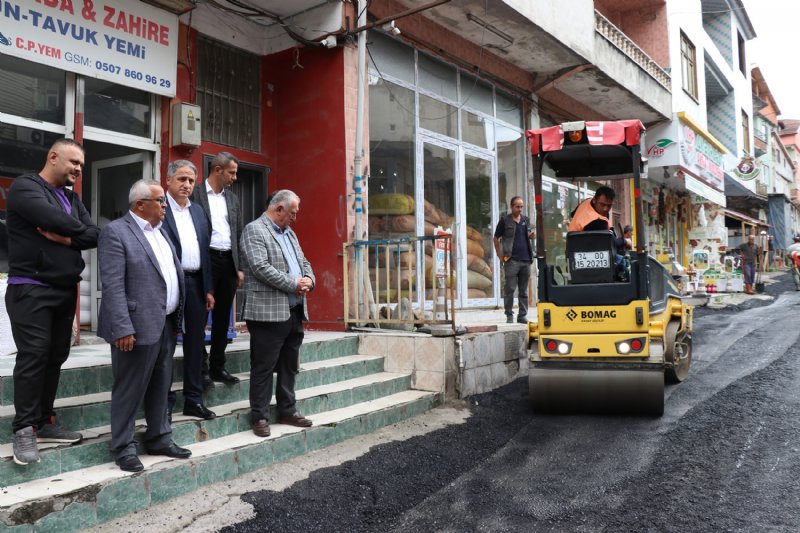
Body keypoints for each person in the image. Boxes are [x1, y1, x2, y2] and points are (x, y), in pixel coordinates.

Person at [5, 138, 99, 466]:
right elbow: (52, 218)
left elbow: (94, 234)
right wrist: (77, 232)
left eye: (82, 166)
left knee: (55, 356)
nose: (78, 169)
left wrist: (69, 237)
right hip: (30, 287)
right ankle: (24, 428)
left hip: (64, 289)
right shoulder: (24, 187)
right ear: (53, 156)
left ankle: (44, 421)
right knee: (34, 356)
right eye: (74, 162)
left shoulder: (72, 198)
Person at [97, 179, 191, 472]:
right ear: (140, 205)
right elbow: (112, 284)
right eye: (160, 200)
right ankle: (123, 447)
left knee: (162, 385)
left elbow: (169, 277)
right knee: (130, 388)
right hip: (134, 328)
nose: (165, 205)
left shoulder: (161, 233)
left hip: (164, 323)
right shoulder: (116, 232)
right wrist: (122, 327)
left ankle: (159, 437)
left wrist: (177, 320)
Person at [240, 189, 315, 437]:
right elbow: (261, 267)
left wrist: (308, 280)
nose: (295, 218)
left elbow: (304, 261)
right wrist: (294, 283)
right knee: (263, 366)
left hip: (293, 310)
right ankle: (259, 416)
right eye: (292, 213)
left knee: (289, 365)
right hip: (267, 312)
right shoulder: (254, 230)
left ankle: (287, 410)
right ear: (279, 208)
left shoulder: (289, 233)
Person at [163, 160, 216, 421]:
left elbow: (205, 252)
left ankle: (193, 400)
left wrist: (209, 289)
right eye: (181, 179)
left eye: (191, 181)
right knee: (167, 345)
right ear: (169, 180)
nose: (186, 185)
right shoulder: (159, 209)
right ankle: (165, 403)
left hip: (196, 284)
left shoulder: (197, 212)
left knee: (195, 345)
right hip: (170, 284)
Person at [191, 152, 243, 386]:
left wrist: (239, 267)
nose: (234, 177)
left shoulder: (232, 199)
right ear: (217, 170)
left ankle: (217, 367)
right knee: (200, 316)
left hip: (228, 262)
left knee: (223, 318)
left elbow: (237, 233)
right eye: (231, 173)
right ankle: (200, 368)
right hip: (205, 259)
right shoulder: (195, 193)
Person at [493, 196, 534, 324]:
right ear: (511, 206)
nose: (520, 209)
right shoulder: (505, 221)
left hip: (526, 259)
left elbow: (530, 235)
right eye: (517, 206)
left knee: (523, 291)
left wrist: (533, 235)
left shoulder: (526, 220)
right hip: (511, 260)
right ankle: (509, 315)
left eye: (521, 206)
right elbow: (496, 238)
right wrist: (500, 255)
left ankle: (522, 316)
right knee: (509, 289)